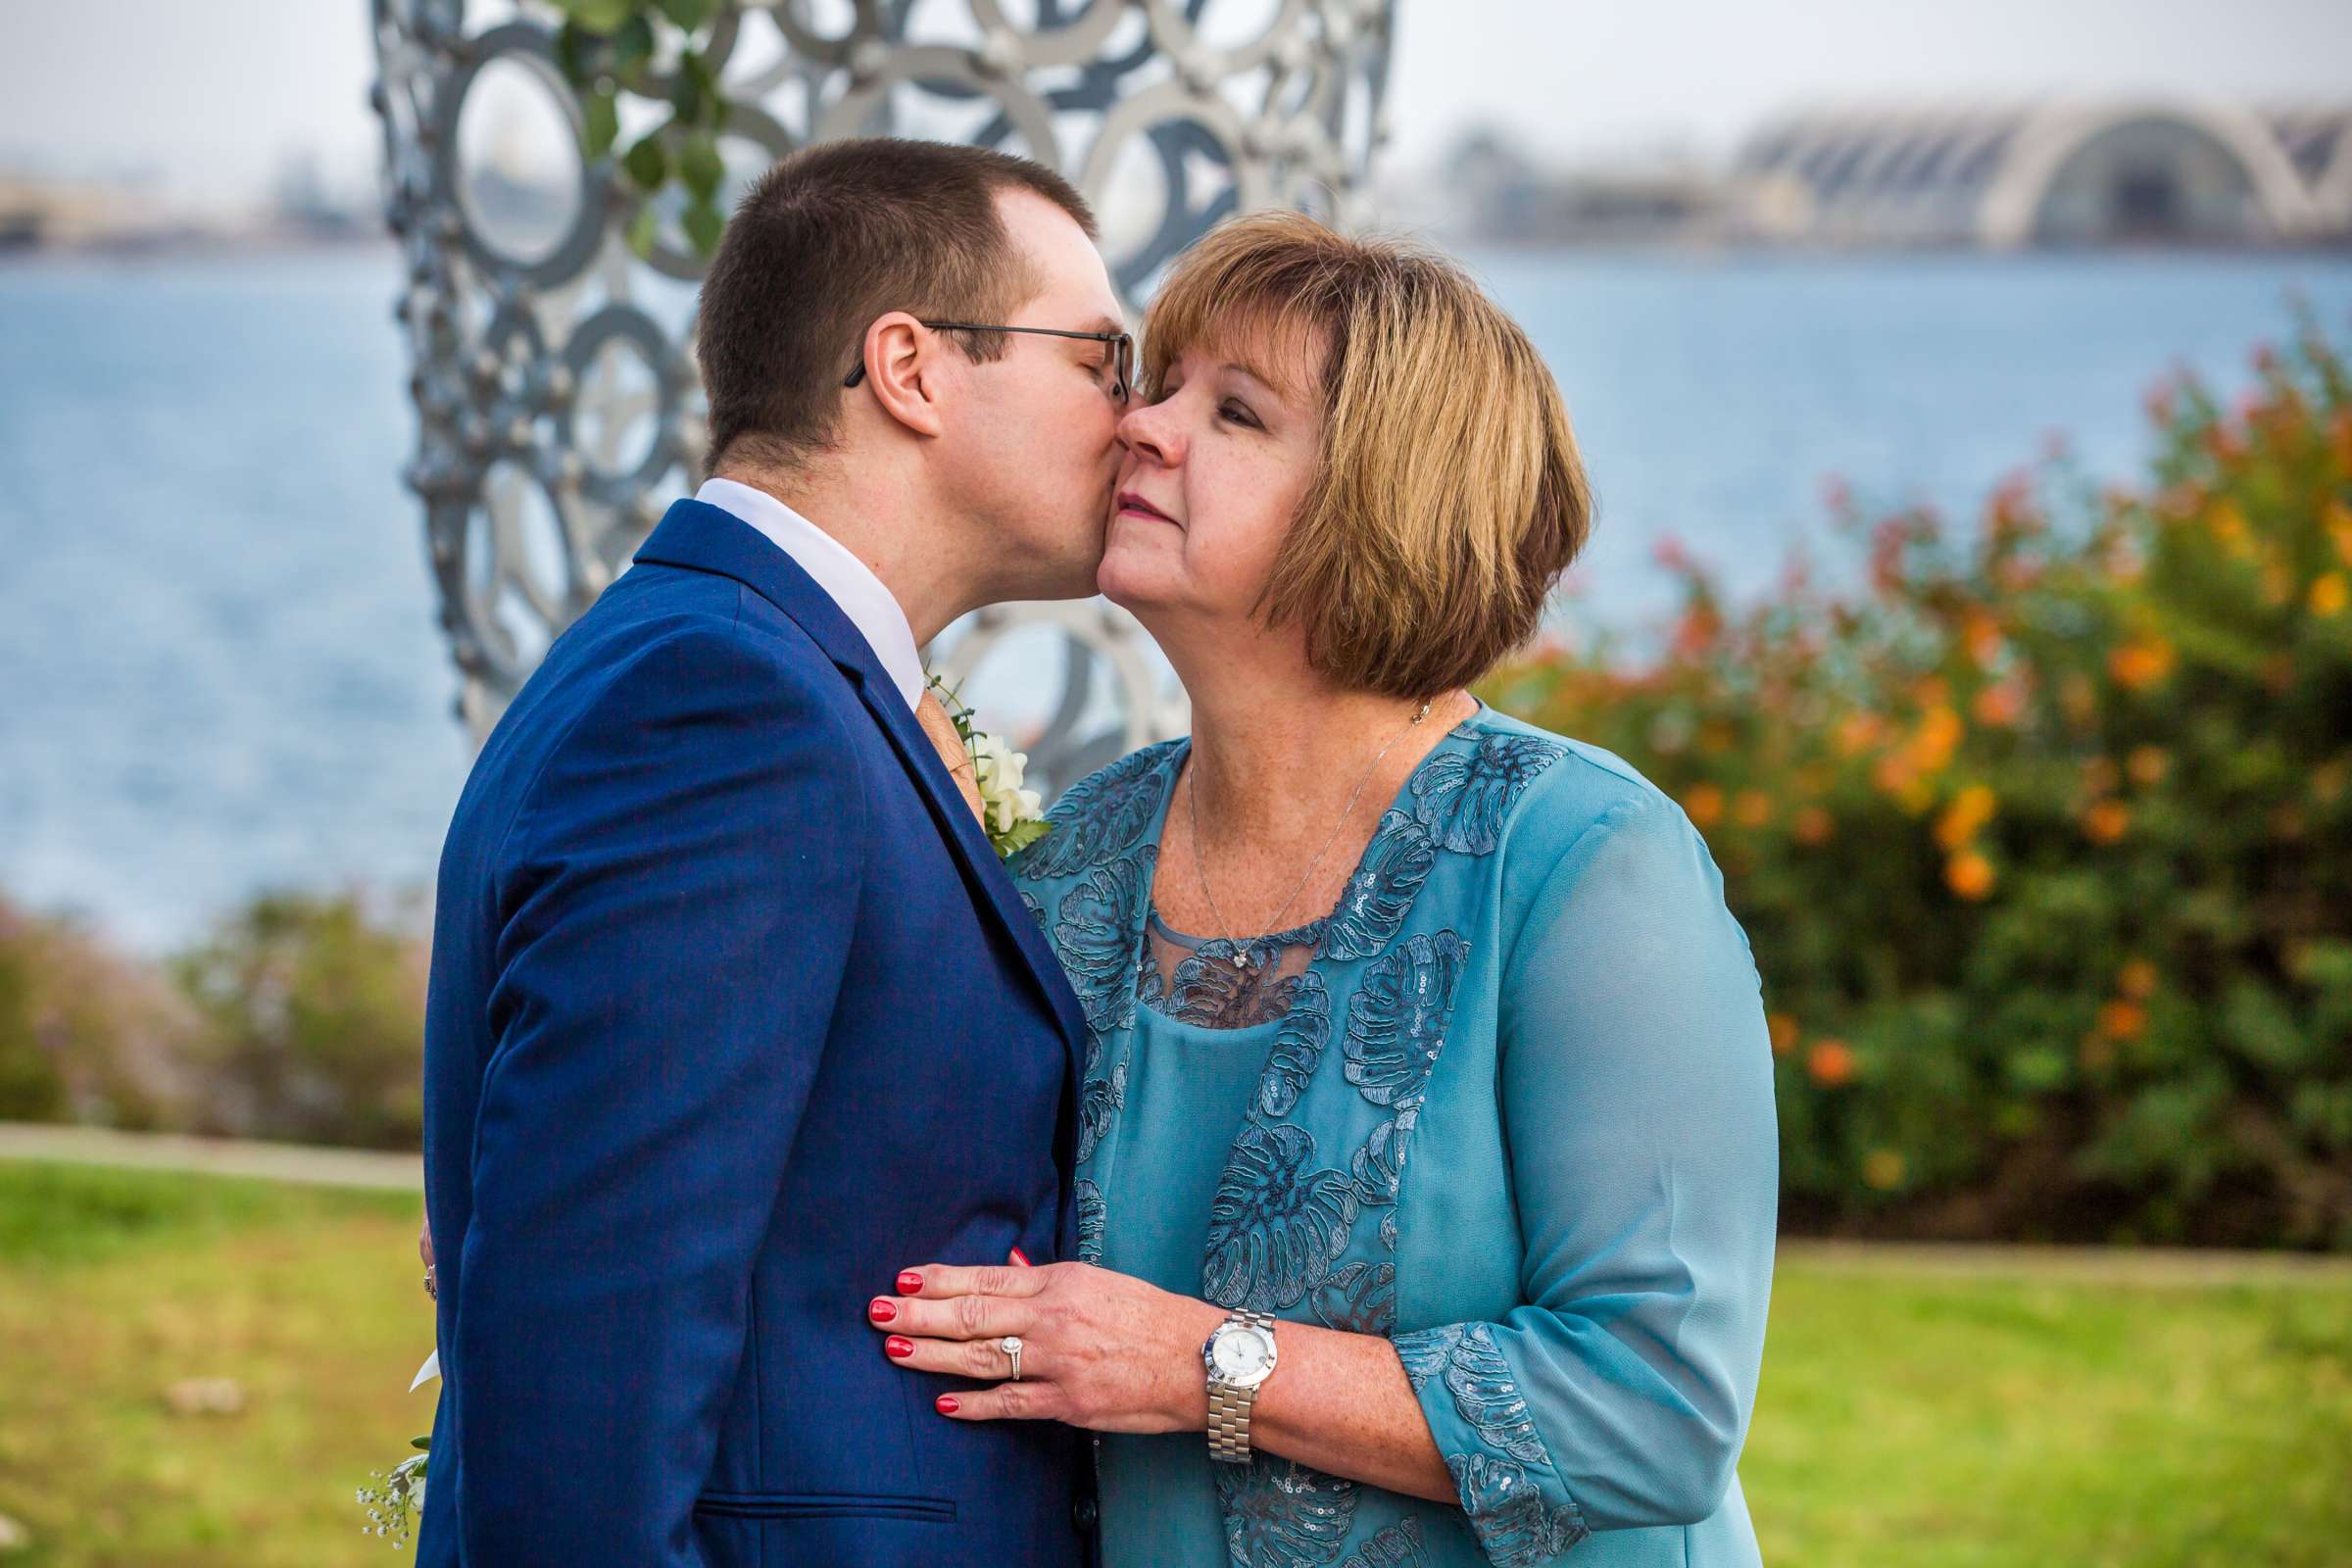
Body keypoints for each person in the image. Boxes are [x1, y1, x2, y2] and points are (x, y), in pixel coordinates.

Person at [866, 211, 1781, 1568]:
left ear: (1383, 497)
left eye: (1234, 413)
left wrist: (1200, 1367)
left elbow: (1655, 1410)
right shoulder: (1085, 864)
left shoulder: (1587, 865)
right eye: (1159, 386)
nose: (1144, 428)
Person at [414, 137, 1132, 1567]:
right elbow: (584, 1371)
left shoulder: (747, 669)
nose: (1138, 416)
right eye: (1100, 360)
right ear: (913, 368)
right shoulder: (727, 709)